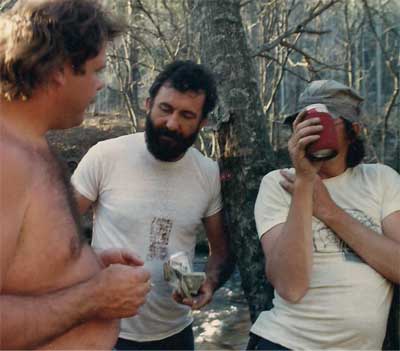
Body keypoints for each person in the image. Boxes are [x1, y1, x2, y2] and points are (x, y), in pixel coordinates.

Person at [0, 1, 151, 349]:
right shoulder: (7, 160)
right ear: (58, 71)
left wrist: (83, 265)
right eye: (96, 70)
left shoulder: (32, 144)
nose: (100, 85)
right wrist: (93, 298)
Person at [72, 60, 234, 350]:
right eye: (165, 109)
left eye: (187, 115)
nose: (172, 124)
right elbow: (54, 233)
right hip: (102, 329)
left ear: (202, 123)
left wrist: (208, 284)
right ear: (148, 104)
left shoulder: (207, 173)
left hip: (175, 335)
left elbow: (220, 252)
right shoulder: (106, 156)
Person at [248, 80, 400, 350]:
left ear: (354, 130)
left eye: (324, 120)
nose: (312, 129)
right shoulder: (278, 183)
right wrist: (305, 183)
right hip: (284, 342)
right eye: (304, 120)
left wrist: (329, 211)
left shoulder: (381, 180)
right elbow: (290, 287)